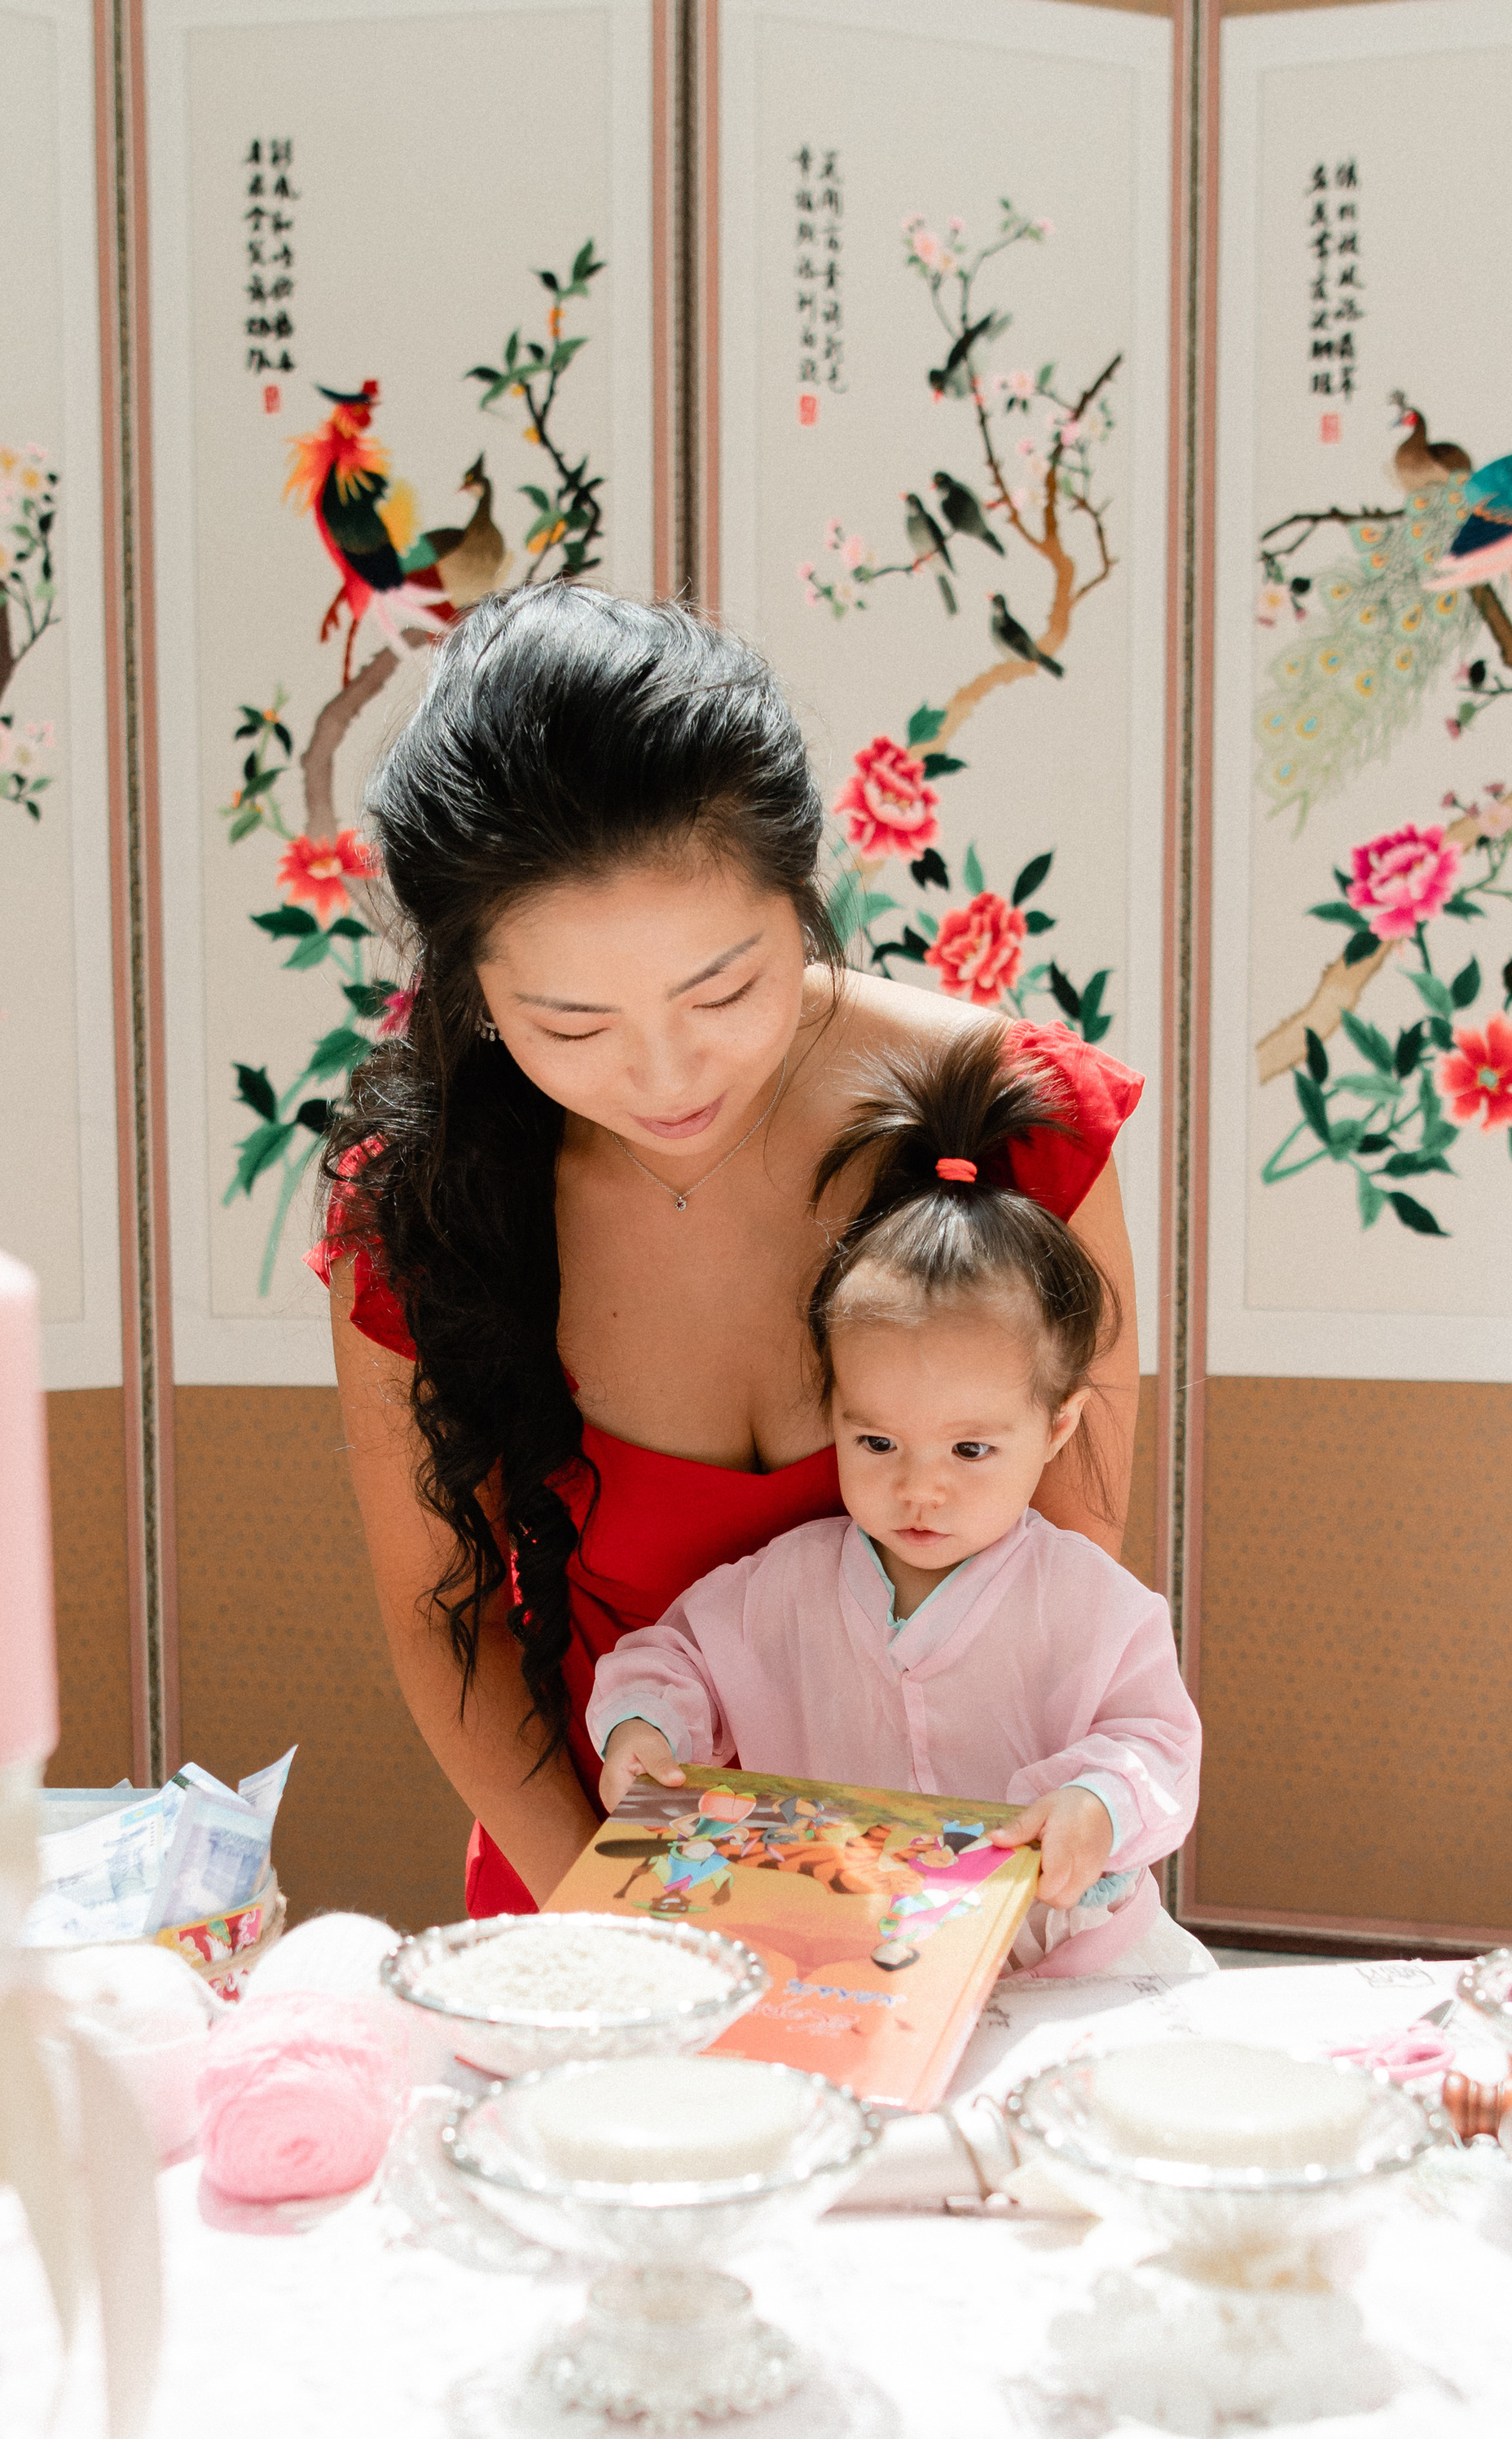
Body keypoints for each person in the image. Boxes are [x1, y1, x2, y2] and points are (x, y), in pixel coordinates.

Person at [318, 586, 1147, 1918]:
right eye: (572, 1026)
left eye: (723, 990)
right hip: (594, 1892)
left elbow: (1054, 1589)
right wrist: (608, 1918)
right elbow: (441, 1618)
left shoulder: (1015, 1126)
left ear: (799, 893)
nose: (666, 1077)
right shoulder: (425, 1209)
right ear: (470, 989)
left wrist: (946, 1924)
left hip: (937, 1907)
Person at [587, 1026, 1202, 1977]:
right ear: (833, 1415)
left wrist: (1100, 1804)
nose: (920, 1486)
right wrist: (646, 1728)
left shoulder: (1090, 1602)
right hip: (855, 1960)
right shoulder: (784, 1585)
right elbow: (676, 1658)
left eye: (970, 1449)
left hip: (1068, 1957)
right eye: (876, 1443)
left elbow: (1154, 1739)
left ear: (1057, 1427)